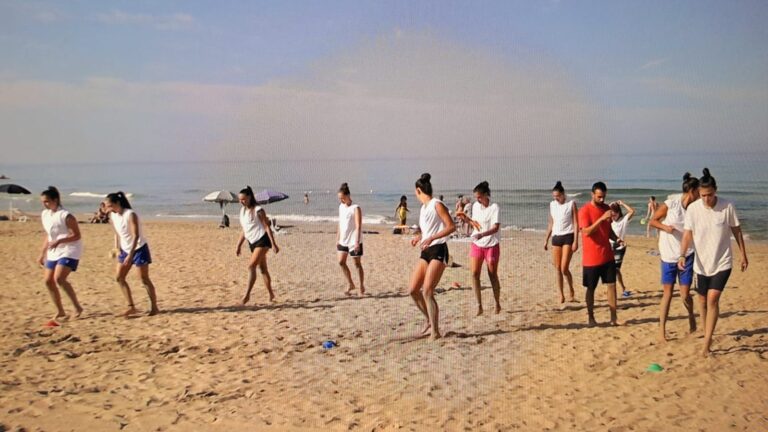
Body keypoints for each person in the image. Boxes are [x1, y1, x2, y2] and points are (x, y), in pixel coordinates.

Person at [679, 168, 748, 357]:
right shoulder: (693, 209)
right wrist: (682, 254)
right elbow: (687, 234)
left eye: (709, 195)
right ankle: (706, 329)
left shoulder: (727, 207)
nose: (706, 199)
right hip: (701, 264)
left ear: (715, 191)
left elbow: (737, 231)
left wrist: (743, 254)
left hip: (722, 262)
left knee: (712, 299)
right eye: (702, 196)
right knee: (701, 300)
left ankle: (707, 343)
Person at [649, 173, 700, 342]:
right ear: (692, 191)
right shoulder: (671, 204)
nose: (701, 196)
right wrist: (665, 227)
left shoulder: (696, 208)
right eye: (699, 192)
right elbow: (653, 221)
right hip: (668, 255)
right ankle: (662, 331)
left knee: (685, 294)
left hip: (687, 254)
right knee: (668, 294)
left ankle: (691, 315)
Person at [408, 173, 455, 340]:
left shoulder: (437, 204)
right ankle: (429, 319)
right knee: (413, 290)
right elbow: (429, 229)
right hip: (426, 251)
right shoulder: (423, 208)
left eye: (415, 191)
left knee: (427, 290)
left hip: (439, 250)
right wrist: (419, 236)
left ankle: (435, 332)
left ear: (419, 190)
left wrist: (431, 238)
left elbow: (451, 227)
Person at [104, 191, 160, 317]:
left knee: (144, 278)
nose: (108, 209)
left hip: (139, 248)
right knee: (119, 277)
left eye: (109, 206)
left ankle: (154, 307)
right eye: (107, 206)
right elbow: (117, 233)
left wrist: (131, 255)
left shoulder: (130, 214)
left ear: (117, 203)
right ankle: (131, 307)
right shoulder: (113, 216)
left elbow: (136, 236)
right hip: (125, 249)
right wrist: (116, 248)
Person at [578, 182, 621, 326]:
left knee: (612, 285)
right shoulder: (584, 211)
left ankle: (613, 318)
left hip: (607, 255)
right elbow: (586, 231)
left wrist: (617, 238)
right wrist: (601, 218)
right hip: (591, 258)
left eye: (604, 196)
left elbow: (607, 230)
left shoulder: (607, 208)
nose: (602, 200)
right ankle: (591, 318)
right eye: (599, 197)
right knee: (591, 288)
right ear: (592, 195)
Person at [38, 186, 84, 322]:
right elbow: (49, 235)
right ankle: (60, 311)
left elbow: (76, 235)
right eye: (43, 202)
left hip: (69, 249)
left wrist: (60, 241)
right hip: (54, 250)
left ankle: (77, 307)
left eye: (47, 201)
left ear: (55, 200)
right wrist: (42, 253)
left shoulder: (66, 215)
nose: (44, 204)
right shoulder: (45, 214)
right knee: (48, 281)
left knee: (59, 278)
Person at [456, 181, 501, 315]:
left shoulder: (494, 207)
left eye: (480, 197)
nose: (478, 200)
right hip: (477, 242)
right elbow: (475, 224)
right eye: (476, 197)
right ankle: (479, 305)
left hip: (491, 243)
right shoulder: (476, 206)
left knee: (492, 274)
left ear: (486, 195)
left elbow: (495, 227)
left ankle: (497, 302)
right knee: (474, 273)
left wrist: (483, 234)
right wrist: (465, 219)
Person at [236, 186, 280, 305]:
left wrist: (274, 244)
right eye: (240, 200)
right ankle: (271, 293)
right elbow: (244, 230)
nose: (241, 202)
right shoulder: (242, 211)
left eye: (244, 199)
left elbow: (266, 226)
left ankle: (247, 295)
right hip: (252, 242)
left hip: (263, 240)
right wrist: (239, 245)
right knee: (263, 269)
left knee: (251, 266)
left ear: (249, 197)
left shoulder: (258, 210)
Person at [544, 181, 579, 304]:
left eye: (558, 196)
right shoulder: (552, 205)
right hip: (556, 237)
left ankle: (571, 290)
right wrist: (546, 239)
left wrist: (576, 241)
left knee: (564, 268)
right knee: (557, 268)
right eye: (554, 196)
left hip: (568, 236)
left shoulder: (571, 204)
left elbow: (576, 223)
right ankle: (561, 294)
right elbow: (550, 223)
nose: (556, 199)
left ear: (563, 194)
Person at [337, 182, 365, 296]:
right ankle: (350, 283)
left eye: (342, 198)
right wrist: (337, 238)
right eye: (340, 199)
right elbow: (340, 222)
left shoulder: (355, 208)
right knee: (341, 262)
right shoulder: (341, 207)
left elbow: (358, 226)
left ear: (348, 196)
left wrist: (357, 242)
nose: (341, 201)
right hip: (343, 240)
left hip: (354, 241)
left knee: (357, 264)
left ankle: (361, 286)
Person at [609, 200, 635, 297]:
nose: (613, 216)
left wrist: (623, 203)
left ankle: (622, 289)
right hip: (609, 246)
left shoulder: (624, 220)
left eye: (614, 214)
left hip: (620, 247)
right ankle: (622, 288)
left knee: (615, 269)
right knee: (612, 269)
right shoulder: (609, 220)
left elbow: (632, 211)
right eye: (611, 214)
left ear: (619, 212)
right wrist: (609, 205)